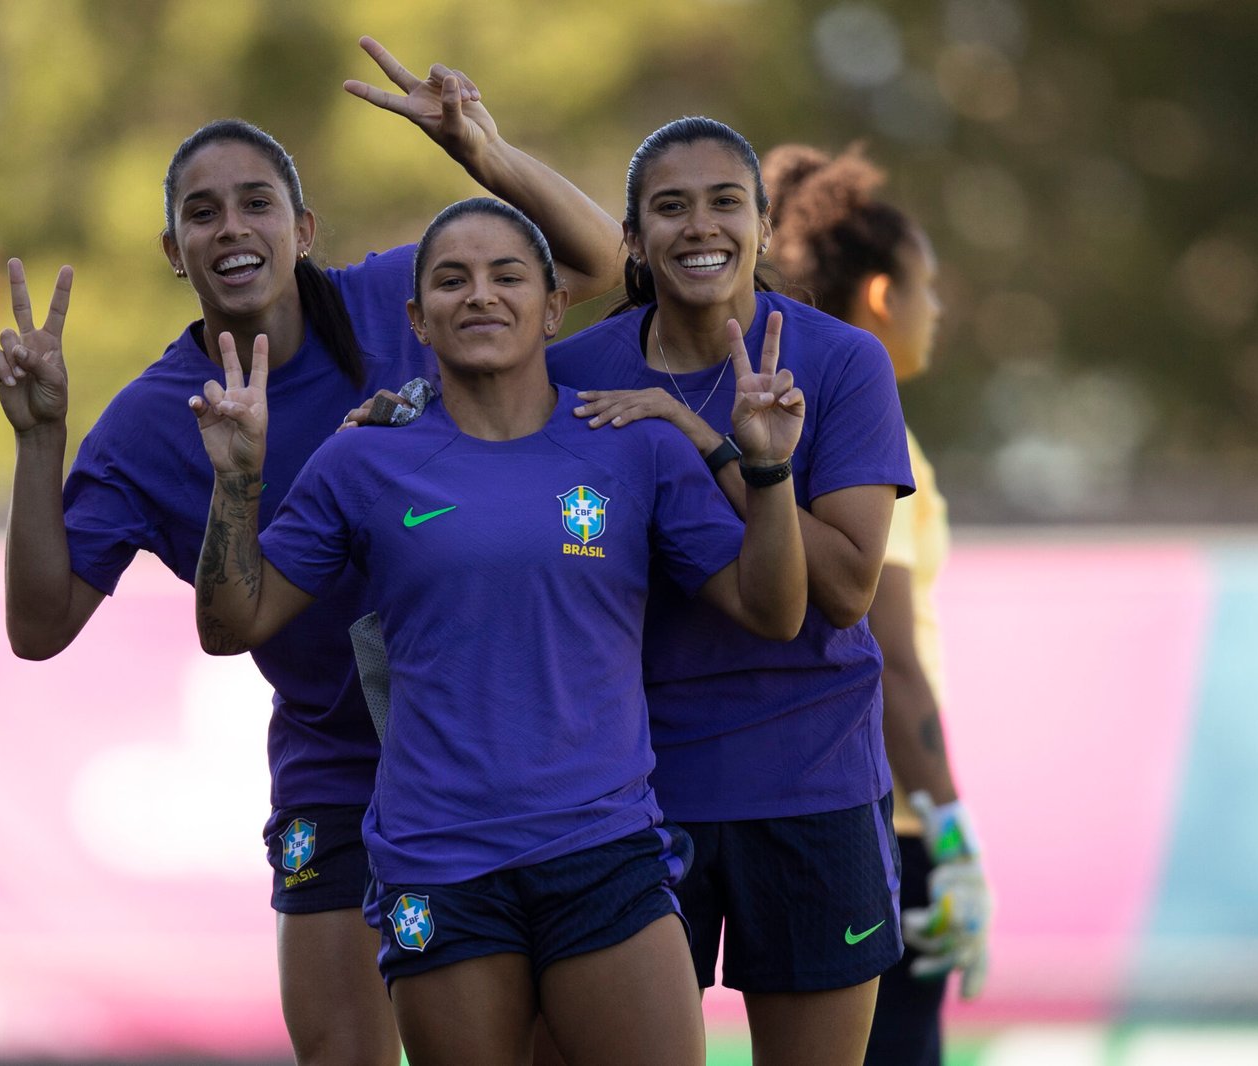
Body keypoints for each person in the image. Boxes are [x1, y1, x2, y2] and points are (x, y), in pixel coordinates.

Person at [0, 39, 623, 1066]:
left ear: (304, 229)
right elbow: (38, 625)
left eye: (257, 203)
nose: (233, 228)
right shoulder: (151, 422)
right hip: (340, 773)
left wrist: (485, 154)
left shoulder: (400, 304)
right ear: (174, 250)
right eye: (203, 213)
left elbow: (600, 266)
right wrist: (38, 440)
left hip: (499, 755)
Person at [191, 197, 807, 1066]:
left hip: (603, 854)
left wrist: (768, 469)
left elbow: (774, 612)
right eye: (453, 280)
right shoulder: (362, 459)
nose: (480, 295)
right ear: (418, 320)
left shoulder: (631, 444)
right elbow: (230, 626)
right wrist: (236, 481)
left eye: (507, 276)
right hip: (437, 866)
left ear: (553, 308)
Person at [545, 117, 914, 1066]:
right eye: (670, 207)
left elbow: (846, 589)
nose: (699, 226)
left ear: (762, 225)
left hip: (811, 783)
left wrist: (710, 444)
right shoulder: (571, 375)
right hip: (626, 799)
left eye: (725, 203)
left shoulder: (843, 362)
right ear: (633, 239)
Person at [761, 142, 989, 1066]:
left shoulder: (800, 414)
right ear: (886, 295)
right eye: (928, 288)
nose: (938, 310)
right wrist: (953, 839)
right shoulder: (872, 431)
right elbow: (891, 655)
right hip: (881, 819)